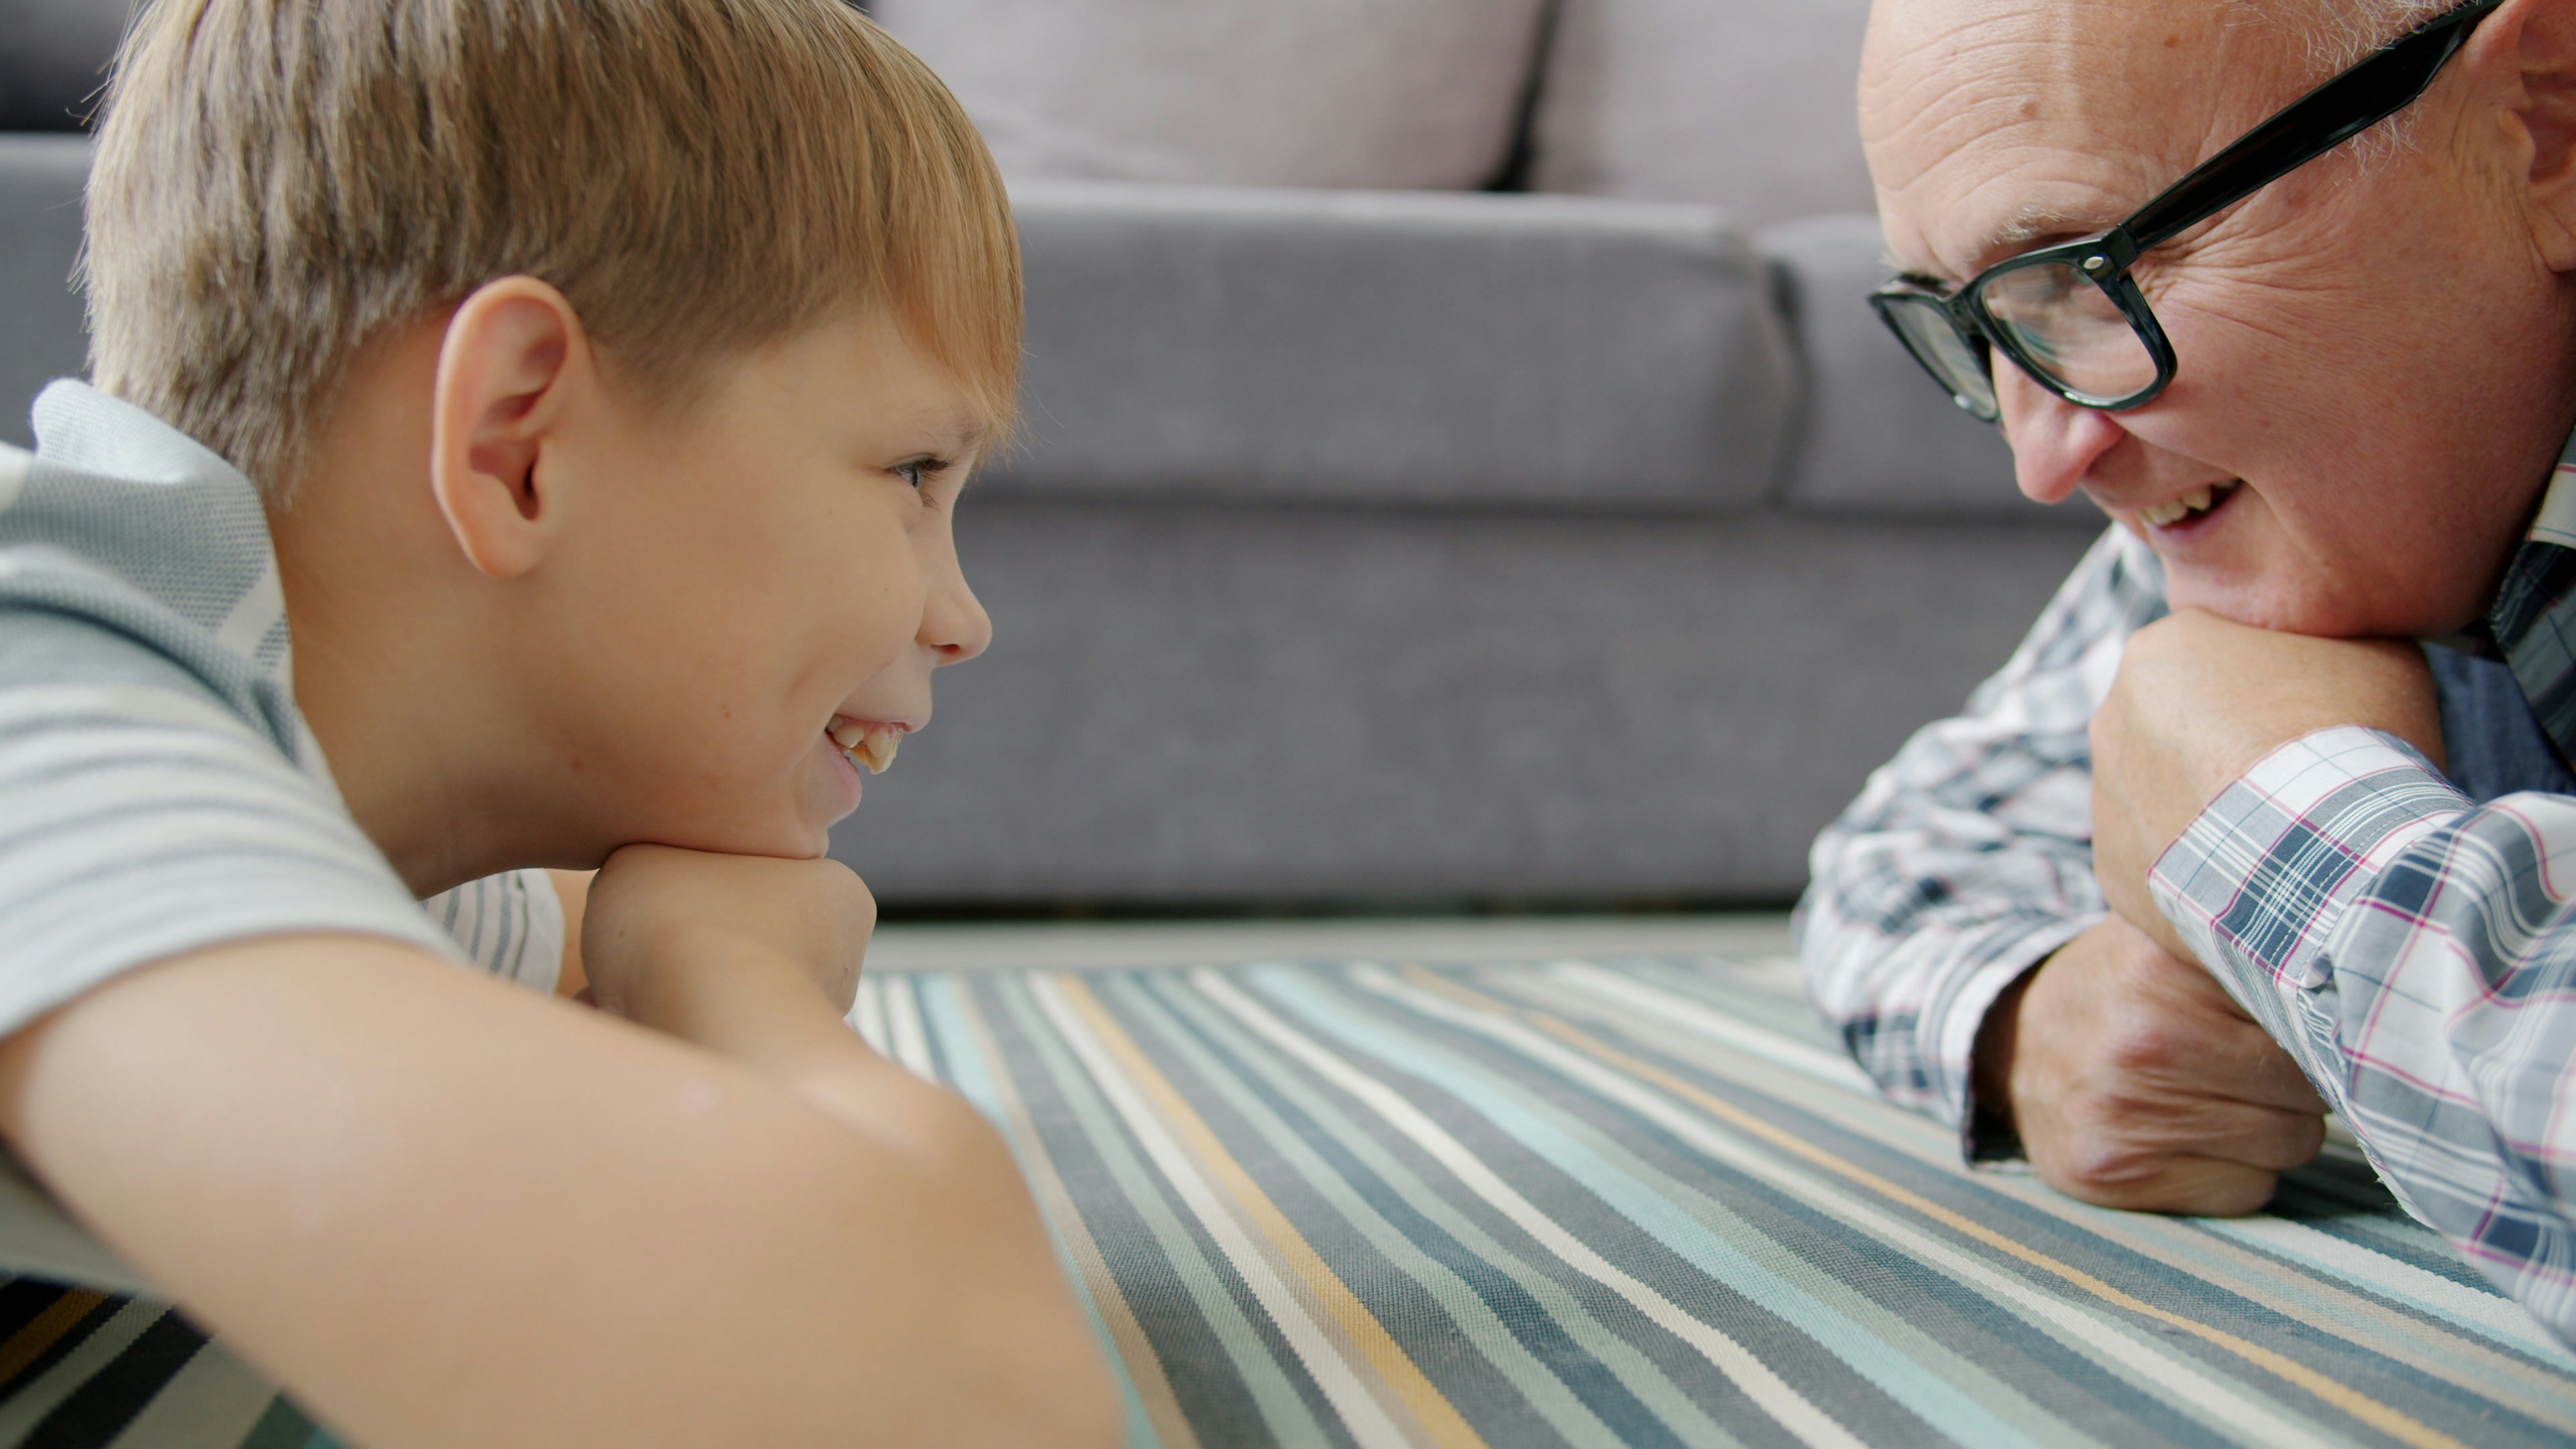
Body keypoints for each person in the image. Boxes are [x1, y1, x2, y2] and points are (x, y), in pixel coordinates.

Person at [0, 0, 1122, 1443]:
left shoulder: (289, 770)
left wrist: (639, 941)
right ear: (516, 445)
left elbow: (563, 954)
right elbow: (950, 1377)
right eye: (911, 470)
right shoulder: (52, 709)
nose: (964, 616)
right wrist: (726, 968)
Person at [1798, 0, 2576, 1343]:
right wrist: (2033, 1011)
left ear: (2545, 128)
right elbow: (1904, 857)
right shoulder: (2319, 497)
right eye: (1980, 321)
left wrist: (2278, 812)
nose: (2045, 466)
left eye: (2097, 270)